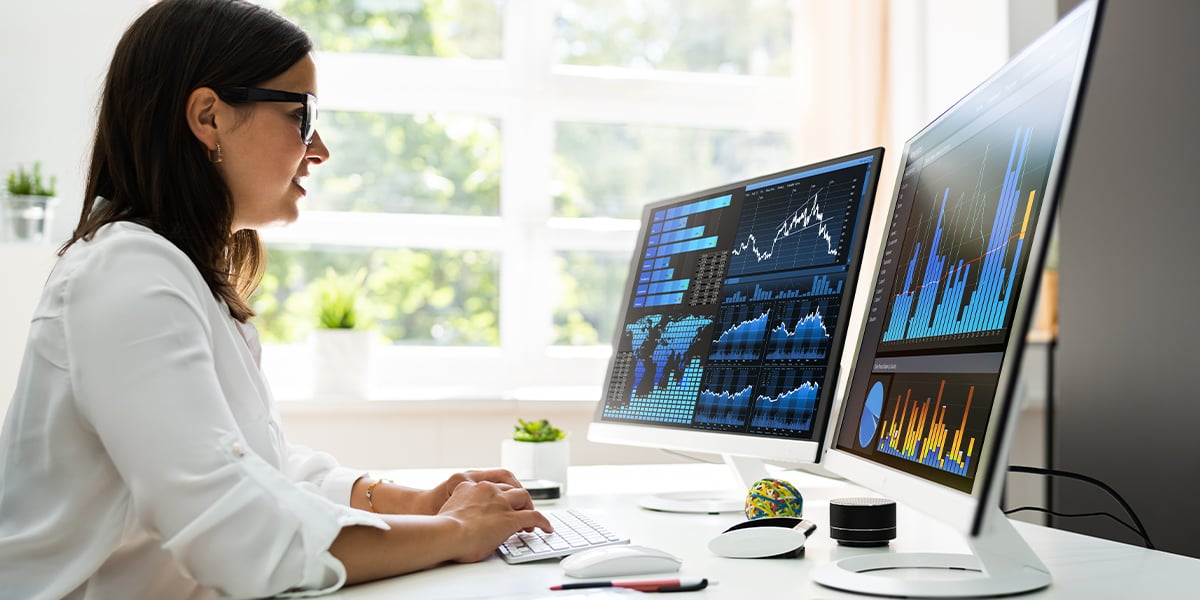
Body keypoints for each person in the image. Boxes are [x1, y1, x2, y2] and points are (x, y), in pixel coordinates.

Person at [0, 0, 552, 597]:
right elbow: (236, 536)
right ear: (209, 117)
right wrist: (452, 531)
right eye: (302, 115)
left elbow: (260, 469)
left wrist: (415, 501)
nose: (320, 150)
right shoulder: (126, 272)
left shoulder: (173, 271)